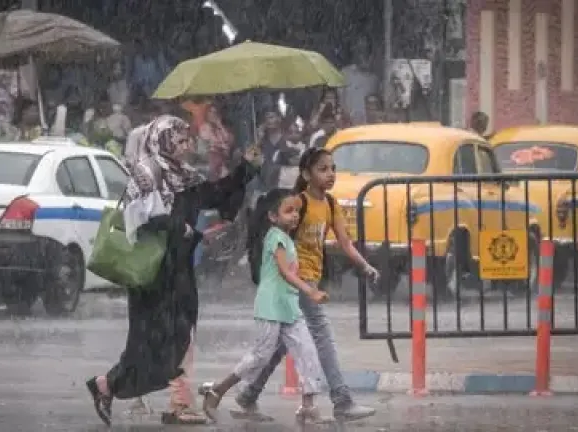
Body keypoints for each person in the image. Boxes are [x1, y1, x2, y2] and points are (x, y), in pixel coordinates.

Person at [85, 115, 261, 426]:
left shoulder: (186, 176)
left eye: (186, 139)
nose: (185, 145)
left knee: (181, 334)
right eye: (178, 140)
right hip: (153, 272)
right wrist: (187, 230)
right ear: (161, 141)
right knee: (151, 340)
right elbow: (145, 219)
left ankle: (120, 388)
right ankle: (131, 390)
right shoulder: (146, 173)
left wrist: (246, 168)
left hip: (179, 269)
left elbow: (217, 196)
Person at [230, 147, 380, 422]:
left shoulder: (331, 204)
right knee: (321, 334)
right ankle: (342, 400)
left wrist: (365, 265)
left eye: (332, 168)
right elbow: (276, 231)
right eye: (323, 169)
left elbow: (345, 243)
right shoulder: (298, 202)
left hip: (308, 279)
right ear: (306, 174)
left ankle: (248, 394)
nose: (330, 174)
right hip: (296, 282)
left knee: (283, 343)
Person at [199, 189, 329, 424]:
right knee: (260, 356)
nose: (294, 216)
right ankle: (218, 389)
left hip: (288, 306)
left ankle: (308, 405)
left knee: (307, 351)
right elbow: (285, 272)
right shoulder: (275, 237)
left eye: (297, 211)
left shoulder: (287, 238)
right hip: (271, 306)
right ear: (272, 216)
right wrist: (310, 290)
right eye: (288, 211)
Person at [198, 104, 235, 181]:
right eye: (210, 111)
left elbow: (229, 138)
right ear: (207, 114)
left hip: (227, 154)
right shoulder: (206, 126)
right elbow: (209, 138)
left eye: (215, 111)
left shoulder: (224, 126)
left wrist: (220, 124)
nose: (213, 113)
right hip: (214, 153)